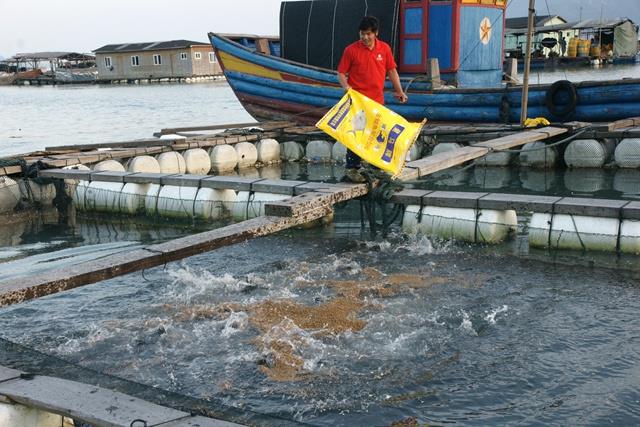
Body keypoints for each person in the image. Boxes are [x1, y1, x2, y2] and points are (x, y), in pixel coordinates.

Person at [336, 15, 408, 182]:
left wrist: (400, 91)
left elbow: (392, 71)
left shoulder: (384, 49)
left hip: (377, 102)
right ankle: (352, 169)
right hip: (357, 103)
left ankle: (376, 168)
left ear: (376, 33)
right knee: (356, 134)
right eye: (362, 34)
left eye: (368, 34)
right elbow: (341, 73)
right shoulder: (350, 50)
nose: (365, 37)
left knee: (377, 134)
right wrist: (346, 87)